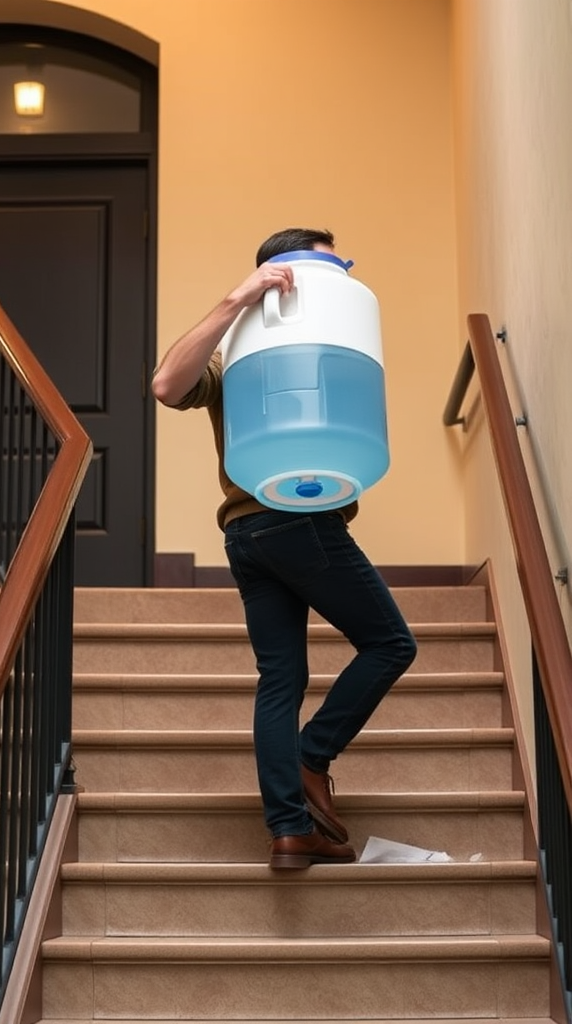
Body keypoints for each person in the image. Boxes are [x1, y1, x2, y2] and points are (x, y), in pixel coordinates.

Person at [152, 227, 417, 869]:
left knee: (281, 677)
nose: (337, 274)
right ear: (282, 273)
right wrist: (233, 301)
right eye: (326, 265)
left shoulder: (324, 337)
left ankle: (289, 832)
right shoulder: (242, 343)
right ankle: (310, 757)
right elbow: (165, 384)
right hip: (292, 524)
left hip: (249, 535)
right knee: (390, 644)